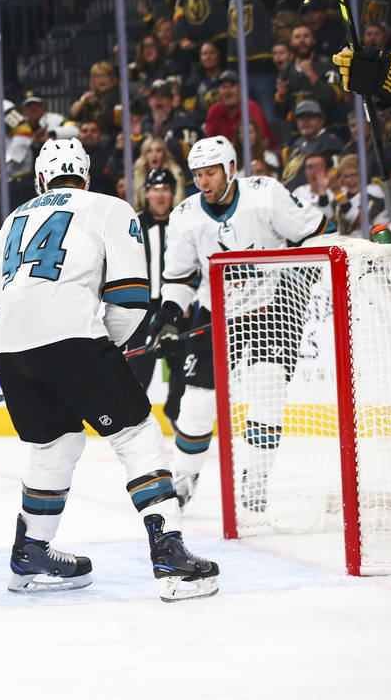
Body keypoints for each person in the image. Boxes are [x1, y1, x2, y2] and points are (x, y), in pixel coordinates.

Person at [0, 138, 218, 602]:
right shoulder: (108, 207)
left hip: (8, 349)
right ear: (86, 177)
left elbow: (4, 301)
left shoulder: (12, 219)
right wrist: (105, 350)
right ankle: (169, 552)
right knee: (136, 434)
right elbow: (131, 299)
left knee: (55, 445)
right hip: (72, 339)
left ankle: (31, 550)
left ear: (40, 180)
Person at [145, 136, 333, 510]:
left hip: (273, 309)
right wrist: (167, 318)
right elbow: (181, 279)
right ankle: (183, 480)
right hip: (217, 312)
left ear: (231, 169)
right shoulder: (186, 216)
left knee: (266, 389)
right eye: (198, 174)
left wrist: (299, 277)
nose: (204, 182)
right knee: (197, 403)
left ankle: (256, 480)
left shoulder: (266, 195)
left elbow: (316, 233)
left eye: (211, 172)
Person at [126, 168, 185, 424]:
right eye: (155, 189)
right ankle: (134, 420)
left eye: (165, 189)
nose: (160, 195)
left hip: (176, 305)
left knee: (182, 365)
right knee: (139, 367)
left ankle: (175, 412)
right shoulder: (135, 223)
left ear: (173, 193)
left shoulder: (183, 222)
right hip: (143, 309)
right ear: (146, 193)